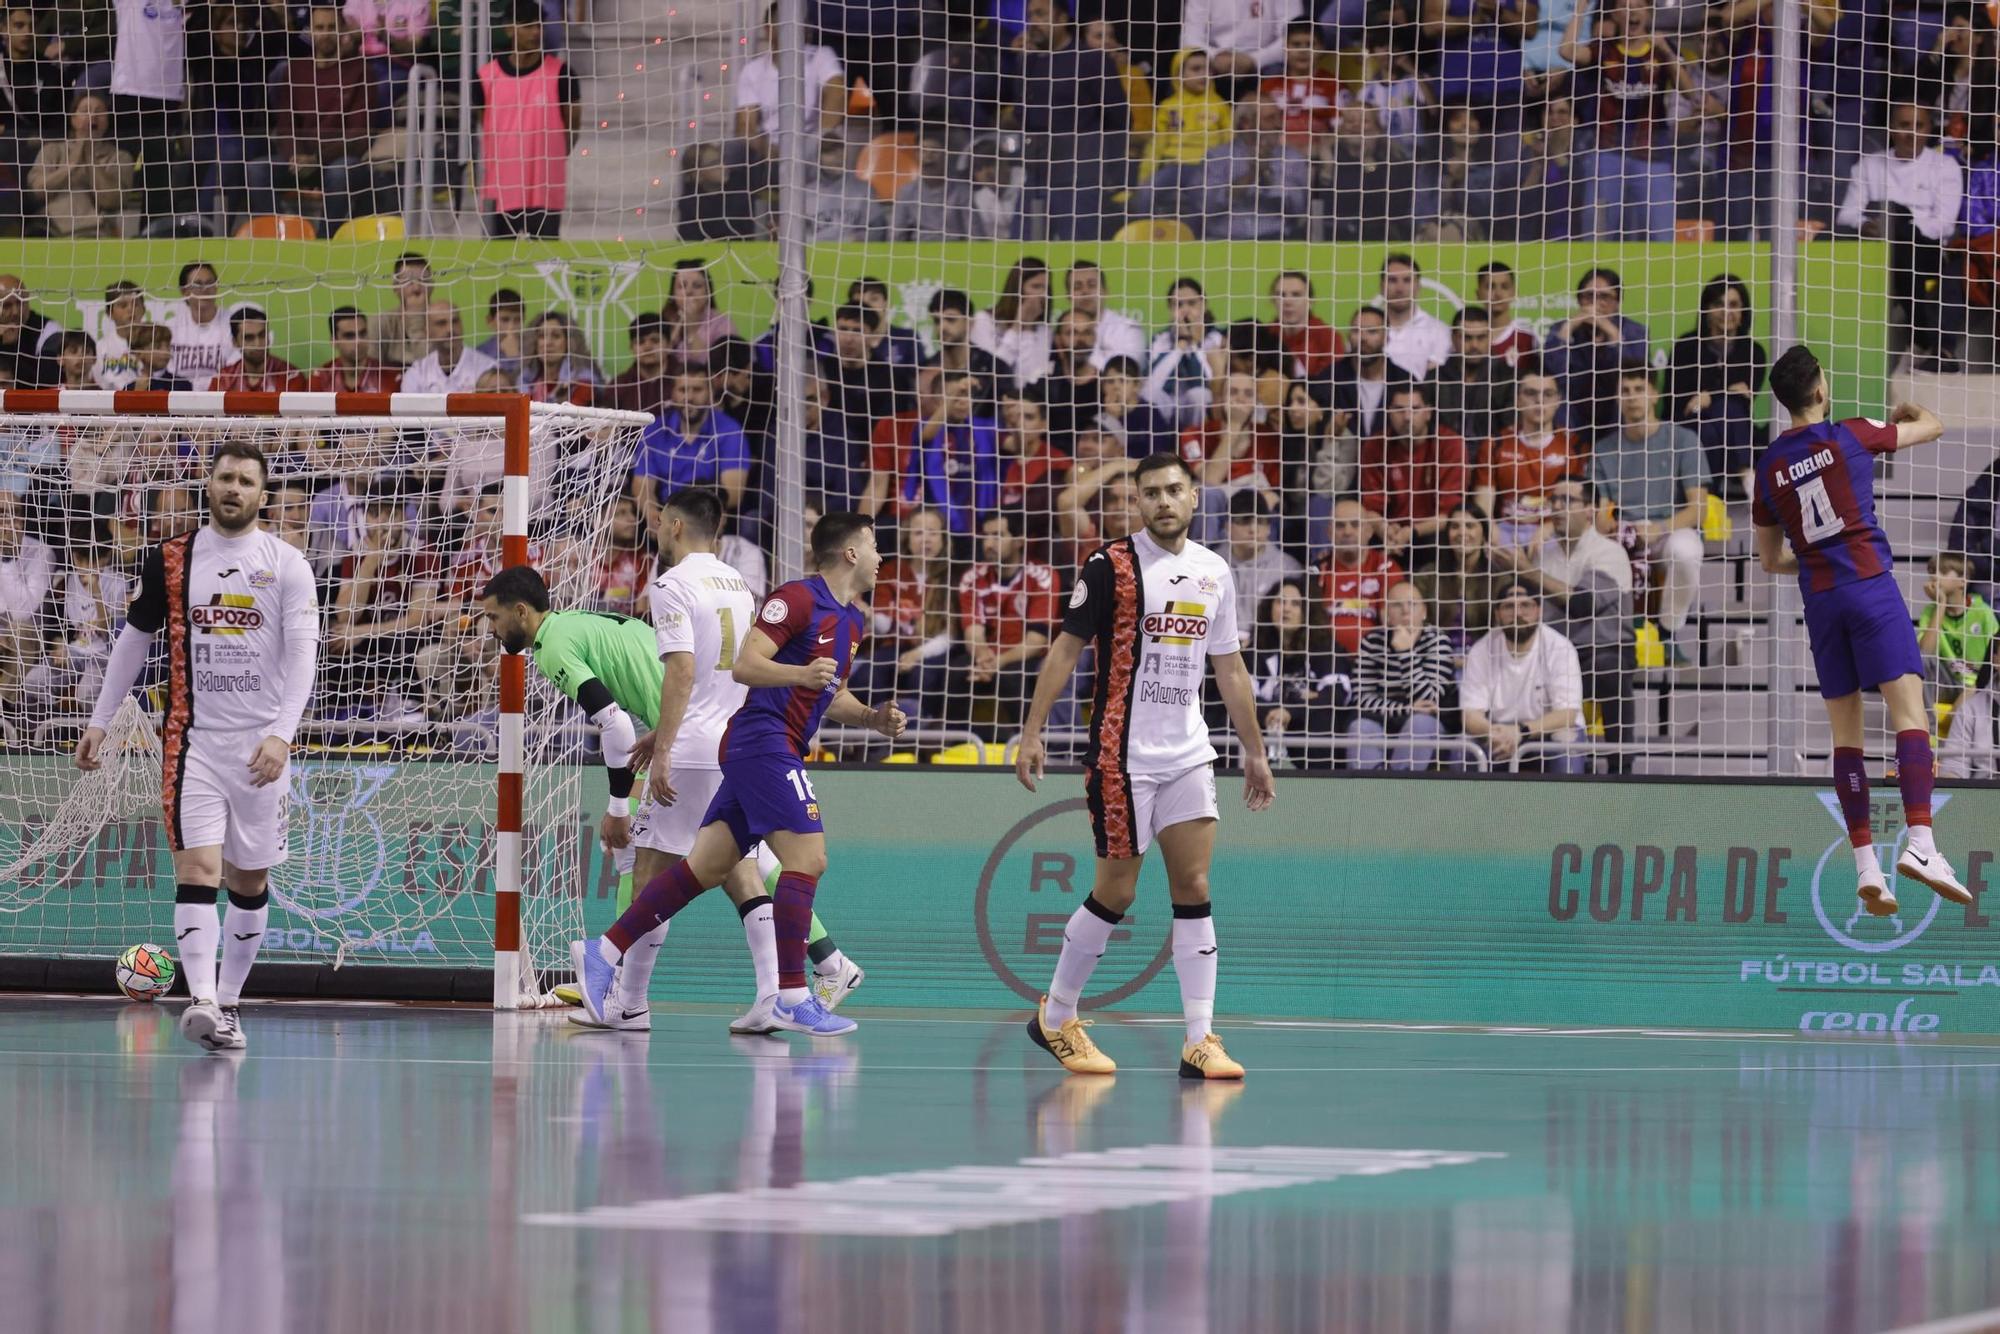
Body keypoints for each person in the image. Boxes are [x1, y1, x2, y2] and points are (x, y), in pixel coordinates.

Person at [570, 512, 907, 1036]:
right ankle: (794, 994)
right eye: (876, 545)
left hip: (774, 745)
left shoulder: (853, 620)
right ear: (850, 553)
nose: (883, 557)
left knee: (700, 870)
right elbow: (746, 666)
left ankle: (603, 950)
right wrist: (800, 673)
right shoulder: (795, 599)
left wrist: (871, 718)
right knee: (808, 860)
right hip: (760, 741)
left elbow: (830, 692)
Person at [1014, 454, 1276, 1081]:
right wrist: (1032, 732)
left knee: (1195, 887)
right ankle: (1056, 1015)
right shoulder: (1110, 566)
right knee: (1118, 892)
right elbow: (1066, 650)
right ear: (1137, 502)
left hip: (1189, 752)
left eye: (1175, 490)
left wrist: (1256, 751)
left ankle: (1199, 1038)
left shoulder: (1214, 571)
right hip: (1120, 755)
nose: (1164, 501)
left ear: (1194, 498)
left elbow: (1230, 668)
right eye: (1151, 492)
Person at [73, 442, 319, 1053]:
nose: (234, 488)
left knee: (249, 880)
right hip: (192, 744)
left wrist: (281, 736)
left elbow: (304, 657)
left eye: (246, 481)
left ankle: (230, 1003)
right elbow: (133, 642)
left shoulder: (287, 563)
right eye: (225, 478)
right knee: (198, 872)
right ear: (208, 485)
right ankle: (203, 999)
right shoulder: (172, 560)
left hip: (261, 749)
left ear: (262, 495)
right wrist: (102, 720)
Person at [1753, 344, 1972, 912]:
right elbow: (1935, 426)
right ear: (1820, 391)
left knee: (1844, 736)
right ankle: (1921, 842)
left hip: (1821, 600)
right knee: (1909, 710)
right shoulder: (1849, 433)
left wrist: (1816, 553)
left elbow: (1770, 561)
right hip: (1870, 584)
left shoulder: (1769, 464)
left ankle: (1867, 866)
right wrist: (1904, 410)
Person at [475, 1, 578, 238]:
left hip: (544, 188)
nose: (535, 33)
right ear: (510, 29)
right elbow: (484, 125)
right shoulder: (484, 76)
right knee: (494, 263)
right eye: (528, 26)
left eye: (539, 26)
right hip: (499, 188)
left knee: (545, 261)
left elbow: (572, 127)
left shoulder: (562, 73)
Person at [1461, 581, 1584, 772]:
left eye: (1526, 605)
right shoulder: (1481, 650)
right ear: (1497, 614)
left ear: (1539, 611)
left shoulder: (1559, 647)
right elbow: (1470, 716)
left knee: (1567, 741)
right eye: (1509, 606)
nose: (1518, 614)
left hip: (1546, 730)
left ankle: (1569, 802)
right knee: (1463, 747)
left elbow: (1567, 715)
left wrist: (1520, 732)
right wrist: (1496, 733)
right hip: (1498, 733)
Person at [1348, 581, 1453, 770]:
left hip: (1431, 723)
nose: (1405, 611)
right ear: (1386, 613)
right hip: (1385, 718)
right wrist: (1406, 709)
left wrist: (1405, 653)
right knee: (1360, 727)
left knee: (1419, 723)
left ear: (1424, 612)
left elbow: (1429, 699)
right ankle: (1365, 794)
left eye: (1412, 604)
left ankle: (1400, 794)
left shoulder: (1438, 640)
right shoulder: (1372, 641)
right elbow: (1362, 699)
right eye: (1397, 605)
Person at [1923, 551, 2000, 779]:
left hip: (1974, 685)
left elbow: (1991, 661)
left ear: (1962, 581)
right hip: (1945, 682)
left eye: (1942, 572)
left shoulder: (1983, 613)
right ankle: (1928, 735)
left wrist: (1970, 694)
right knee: (1917, 662)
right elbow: (1925, 653)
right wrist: (1940, 605)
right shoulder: (1931, 611)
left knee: (1969, 708)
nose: (1934, 578)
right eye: (1931, 573)